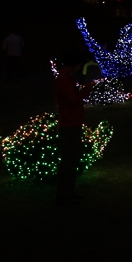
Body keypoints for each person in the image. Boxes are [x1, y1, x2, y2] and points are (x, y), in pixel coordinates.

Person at [54, 51, 94, 205]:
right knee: (68, 161)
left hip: (72, 122)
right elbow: (72, 99)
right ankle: (64, 195)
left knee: (70, 161)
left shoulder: (66, 78)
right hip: (69, 124)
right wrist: (86, 89)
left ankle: (68, 193)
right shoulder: (64, 79)